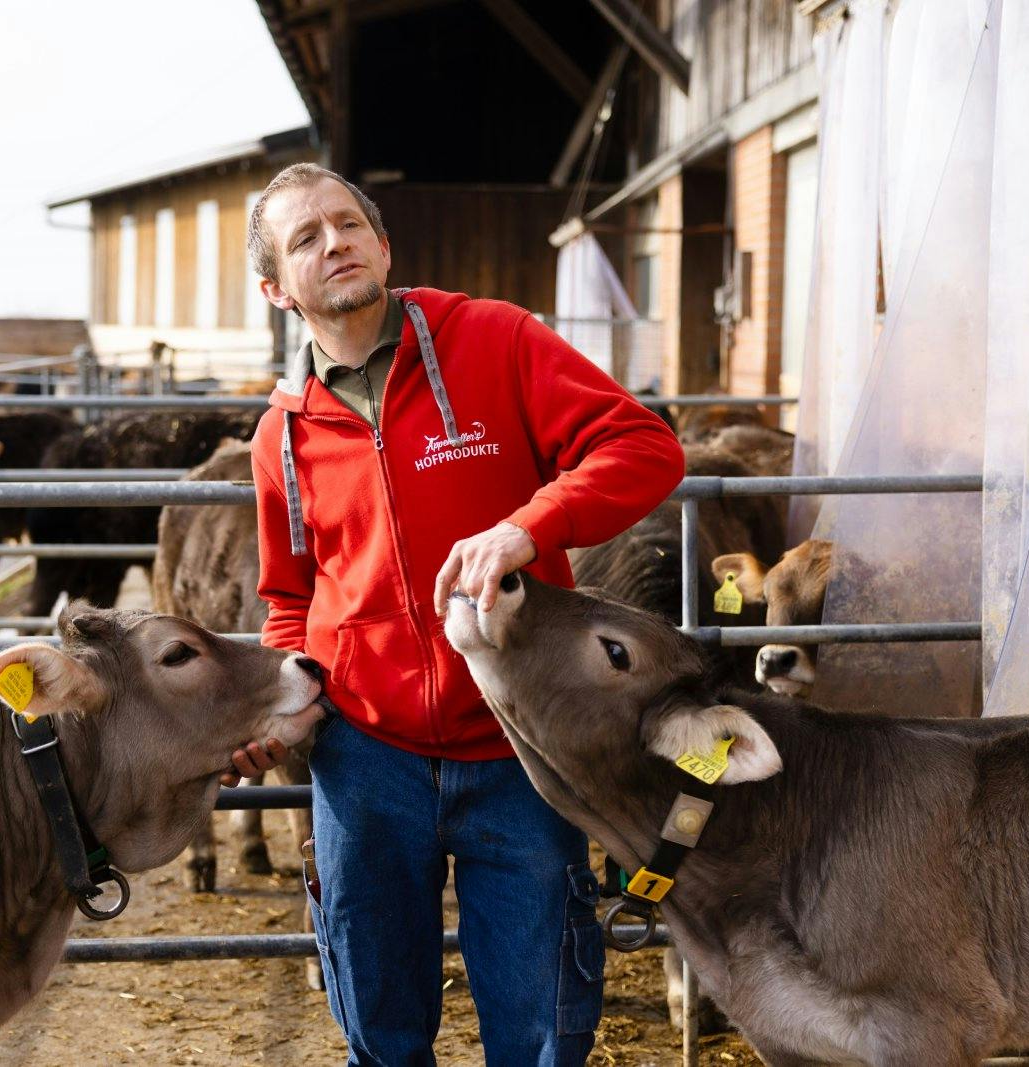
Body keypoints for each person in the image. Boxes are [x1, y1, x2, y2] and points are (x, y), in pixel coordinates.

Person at [235, 162, 684, 1066]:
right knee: (383, 1032)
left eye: (349, 223)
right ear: (277, 289)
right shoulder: (280, 435)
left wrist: (529, 525)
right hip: (365, 761)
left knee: (542, 1033)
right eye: (307, 238)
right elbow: (290, 596)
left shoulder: (496, 339)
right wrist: (282, 703)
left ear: (384, 243)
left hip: (521, 745)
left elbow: (645, 448)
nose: (337, 244)